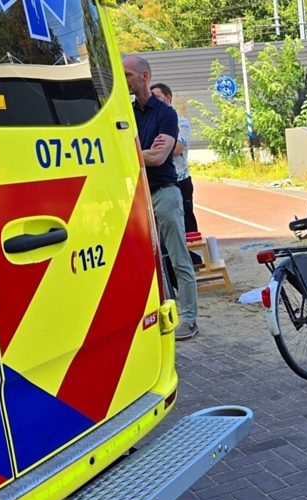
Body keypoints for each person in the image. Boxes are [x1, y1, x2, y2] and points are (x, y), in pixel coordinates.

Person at [123, 55, 198, 341]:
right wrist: (142, 154)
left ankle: (189, 319)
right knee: (145, 260)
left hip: (165, 192)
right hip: (138, 196)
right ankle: (156, 316)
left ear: (144, 76)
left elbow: (158, 157)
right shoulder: (127, 113)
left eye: (128, 75)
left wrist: (130, 154)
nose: (124, 81)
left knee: (178, 257)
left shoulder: (166, 114)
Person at [150, 82, 201, 254]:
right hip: (162, 181)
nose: (154, 101)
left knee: (186, 220)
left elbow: (178, 148)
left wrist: (159, 149)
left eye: (157, 97)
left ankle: (193, 258)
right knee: (165, 225)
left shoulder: (182, 122)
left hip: (180, 179)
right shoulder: (152, 120)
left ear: (168, 98)